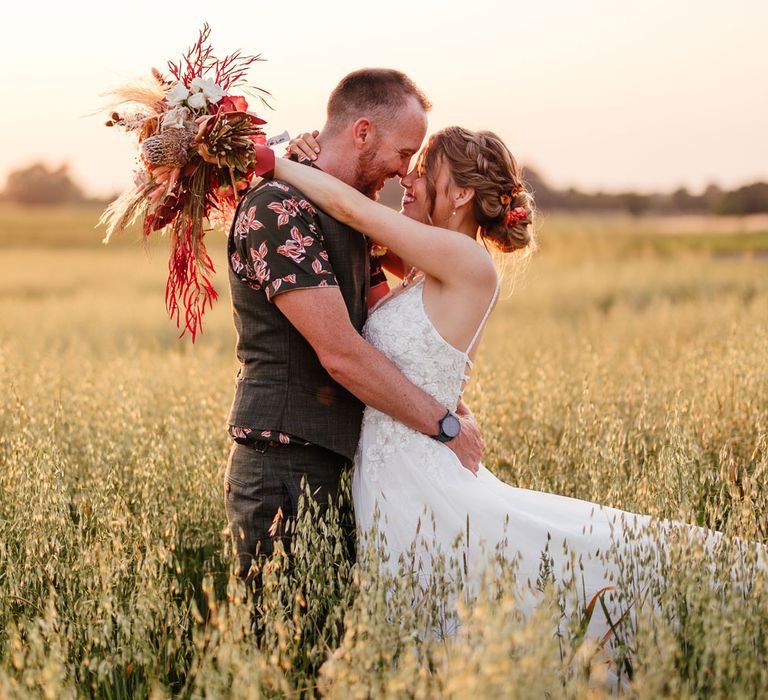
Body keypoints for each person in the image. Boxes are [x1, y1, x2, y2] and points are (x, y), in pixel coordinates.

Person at [260, 126, 766, 642]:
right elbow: (357, 239)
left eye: (423, 170)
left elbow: (356, 214)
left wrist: (266, 162)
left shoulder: (467, 261)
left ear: (459, 194)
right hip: (393, 470)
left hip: (417, 472)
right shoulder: (425, 266)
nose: (407, 179)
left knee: (446, 619)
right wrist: (311, 157)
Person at [224, 69, 484, 593]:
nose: (404, 172)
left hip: (345, 465)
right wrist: (444, 427)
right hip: (284, 465)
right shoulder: (277, 209)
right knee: (283, 652)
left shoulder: (348, 219)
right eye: (403, 153)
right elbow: (342, 355)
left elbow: (388, 325)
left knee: (328, 649)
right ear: (362, 132)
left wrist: (449, 401)